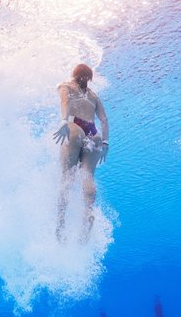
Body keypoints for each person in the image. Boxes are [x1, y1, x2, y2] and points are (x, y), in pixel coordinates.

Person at [53, 64, 109, 243]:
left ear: (74, 75)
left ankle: (61, 223)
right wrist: (105, 143)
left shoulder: (65, 86)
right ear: (89, 78)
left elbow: (65, 102)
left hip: (74, 126)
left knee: (66, 177)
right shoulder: (94, 96)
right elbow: (104, 119)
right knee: (88, 177)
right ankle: (88, 212)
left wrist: (64, 121)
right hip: (94, 134)